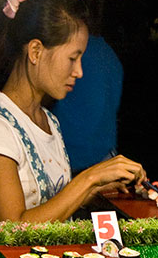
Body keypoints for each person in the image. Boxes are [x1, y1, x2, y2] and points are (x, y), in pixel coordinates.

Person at [0, 0, 145, 224]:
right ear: (35, 51)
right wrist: (89, 178)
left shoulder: (49, 121)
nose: (79, 72)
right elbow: (14, 229)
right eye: (72, 58)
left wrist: (96, 187)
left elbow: (48, 206)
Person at [50, 34, 123, 173]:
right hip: (105, 157)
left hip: (73, 159)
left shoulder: (68, 48)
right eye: (72, 59)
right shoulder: (110, 55)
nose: (79, 72)